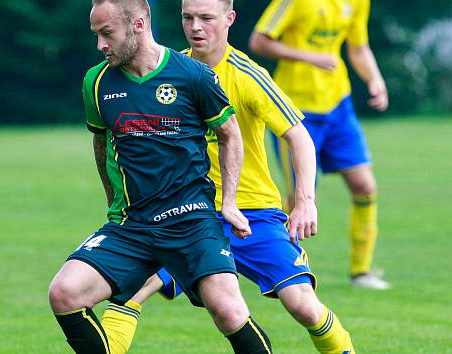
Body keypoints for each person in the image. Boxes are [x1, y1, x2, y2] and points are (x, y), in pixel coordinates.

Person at [98, 0, 356, 353]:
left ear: (229, 19)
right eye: (188, 18)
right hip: (185, 214)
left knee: (302, 304)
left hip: (253, 214)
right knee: (131, 291)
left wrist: (304, 201)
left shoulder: (248, 75)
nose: (196, 27)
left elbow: (299, 137)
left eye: (206, 18)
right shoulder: (169, 70)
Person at [48, 0, 274, 353]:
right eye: (96, 35)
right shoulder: (97, 82)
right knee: (64, 293)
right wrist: (113, 203)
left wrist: (228, 202)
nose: (100, 45)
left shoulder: (193, 75)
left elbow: (230, 133)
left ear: (138, 25)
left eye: (107, 34)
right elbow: (100, 142)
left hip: (191, 222)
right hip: (133, 226)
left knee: (229, 311)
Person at [248, 0, 391, 289]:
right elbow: (259, 41)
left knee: (365, 186)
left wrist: (375, 79)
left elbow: (358, 47)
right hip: (295, 111)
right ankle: (293, 274)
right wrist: (307, 57)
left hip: (339, 104)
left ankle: (361, 271)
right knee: (300, 197)